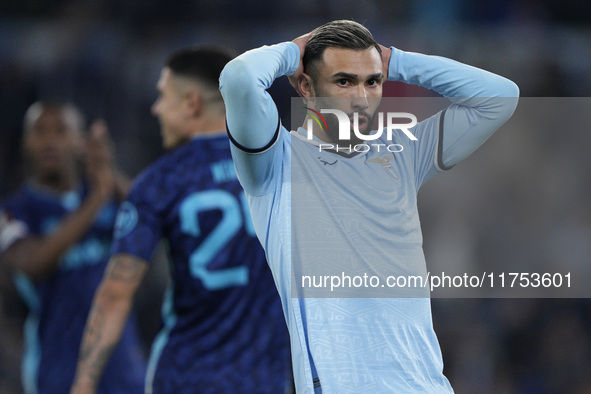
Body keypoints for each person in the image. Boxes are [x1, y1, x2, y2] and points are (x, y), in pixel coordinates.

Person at [219, 19, 519, 392]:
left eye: (372, 81)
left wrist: (396, 62)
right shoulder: (276, 160)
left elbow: (500, 97)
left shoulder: (403, 150)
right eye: (344, 81)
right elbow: (238, 79)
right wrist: (293, 51)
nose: (361, 98)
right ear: (307, 87)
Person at [70, 46, 292, 394]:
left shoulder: (161, 180)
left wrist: (82, 384)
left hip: (184, 378)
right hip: (263, 378)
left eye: (162, 97)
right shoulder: (284, 169)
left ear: (192, 104)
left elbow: (115, 294)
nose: (155, 108)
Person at [0, 101, 146, 393]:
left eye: (61, 131)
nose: (50, 140)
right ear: (25, 142)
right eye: (39, 131)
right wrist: (96, 200)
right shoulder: (15, 212)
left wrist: (111, 173)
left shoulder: (108, 193)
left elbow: (153, 225)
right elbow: (32, 264)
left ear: (81, 141)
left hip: (123, 366)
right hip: (57, 369)